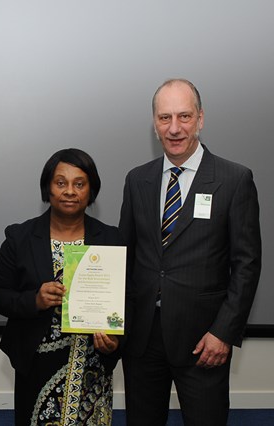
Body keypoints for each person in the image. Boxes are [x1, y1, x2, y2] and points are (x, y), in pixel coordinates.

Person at [119, 78, 261, 426]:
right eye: (165, 118)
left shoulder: (234, 179)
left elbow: (246, 264)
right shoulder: (138, 180)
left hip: (204, 340)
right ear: (154, 124)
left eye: (184, 116)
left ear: (200, 118)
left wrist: (224, 332)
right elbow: (125, 257)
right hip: (143, 339)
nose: (175, 128)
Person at [0, 148, 124, 426]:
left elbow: (129, 299)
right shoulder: (20, 237)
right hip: (36, 365)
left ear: (91, 190)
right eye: (60, 183)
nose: (70, 191)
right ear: (47, 188)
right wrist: (34, 300)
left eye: (79, 183)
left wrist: (115, 341)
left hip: (92, 364)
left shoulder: (112, 239)